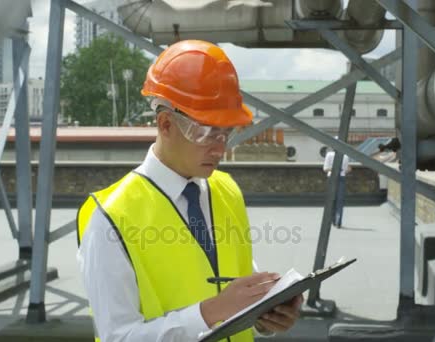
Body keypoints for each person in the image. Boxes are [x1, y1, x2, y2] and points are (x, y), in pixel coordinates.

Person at [76, 40, 303, 342]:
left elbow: (237, 290)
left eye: (226, 131)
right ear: (166, 123)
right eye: (206, 132)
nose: (220, 147)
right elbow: (118, 337)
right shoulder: (110, 217)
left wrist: (265, 314)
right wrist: (211, 312)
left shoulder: (227, 191)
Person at [323, 145, 351, 228]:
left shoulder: (329, 155)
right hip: (341, 178)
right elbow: (346, 169)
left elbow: (325, 169)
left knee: (332, 199)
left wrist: (333, 169)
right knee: (340, 201)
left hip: (331, 178)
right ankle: (338, 221)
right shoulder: (345, 156)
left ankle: (332, 220)